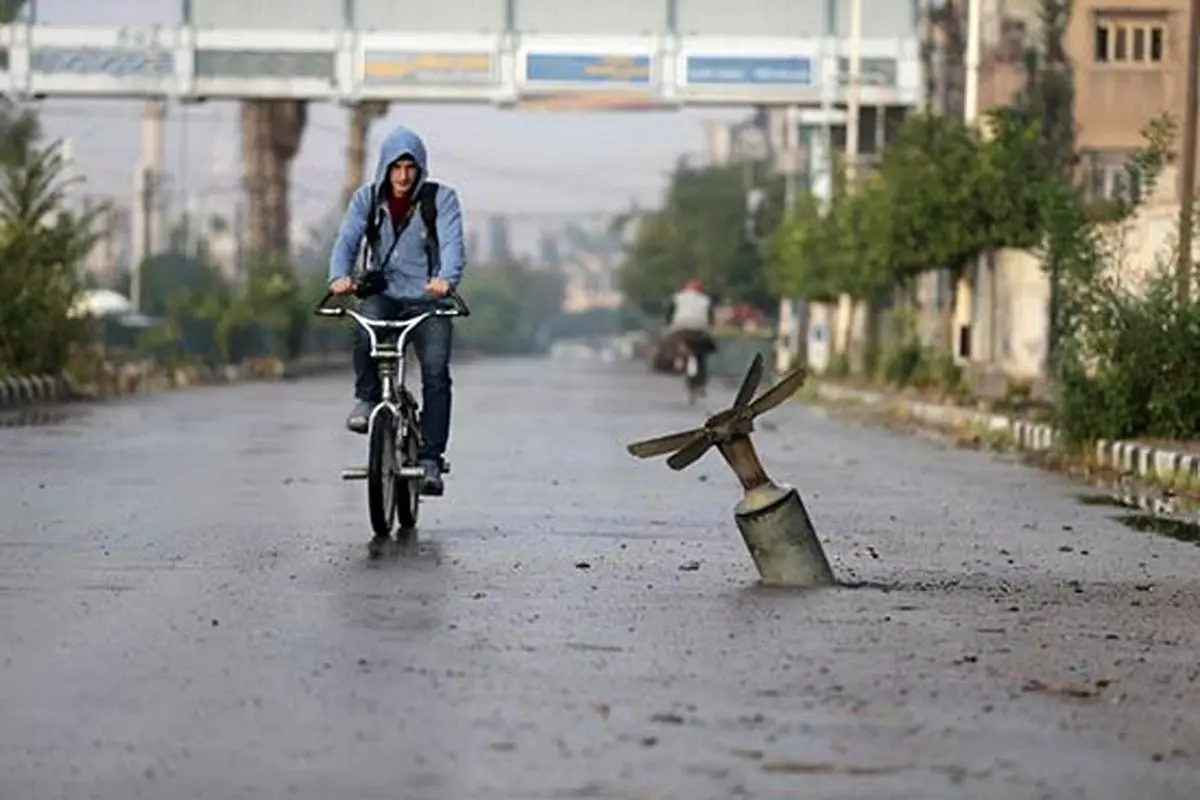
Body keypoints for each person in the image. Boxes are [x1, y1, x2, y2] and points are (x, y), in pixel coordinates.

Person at [327, 124, 466, 497]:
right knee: (365, 326)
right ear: (385, 168)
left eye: (410, 168)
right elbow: (347, 240)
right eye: (396, 167)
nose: (403, 176)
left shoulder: (442, 200)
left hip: (429, 298)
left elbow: (453, 244)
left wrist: (446, 279)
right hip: (385, 293)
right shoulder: (367, 200)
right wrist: (339, 276)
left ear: (420, 169)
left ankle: (431, 459)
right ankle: (367, 397)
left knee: (435, 373)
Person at [664, 279, 717, 386]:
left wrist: (668, 324)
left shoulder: (677, 297)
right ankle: (701, 381)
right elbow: (710, 317)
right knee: (702, 351)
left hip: (680, 327)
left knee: (670, 341)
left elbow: (669, 314)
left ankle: (677, 360)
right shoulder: (705, 299)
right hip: (700, 329)